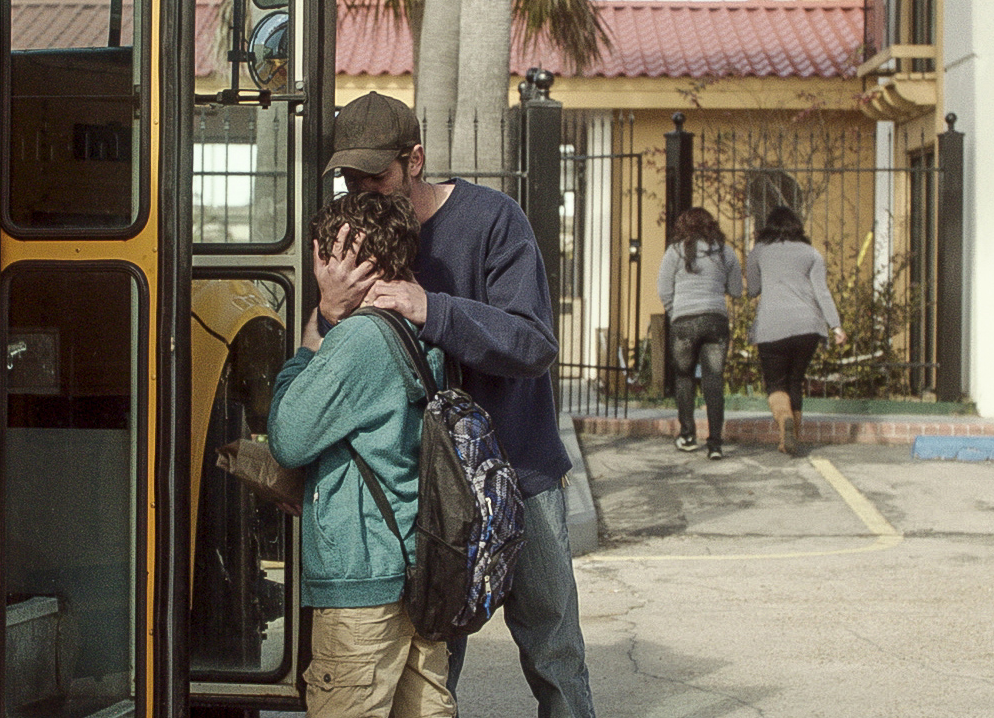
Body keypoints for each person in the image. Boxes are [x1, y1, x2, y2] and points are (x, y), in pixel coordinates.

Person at [317, 91, 595, 718]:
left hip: (517, 469)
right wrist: (328, 311)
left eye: (377, 177)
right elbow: (344, 360)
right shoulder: (349, 231)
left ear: (414, 160)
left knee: (552, 646)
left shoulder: (493, 220)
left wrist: (430, 308)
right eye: (351, 179)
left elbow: (533, 342)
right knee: (435, 661)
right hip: (426, 486)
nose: (363, 193)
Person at [268, 190, 454, 718]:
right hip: (414, 577)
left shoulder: (360, 340)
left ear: (343, 255)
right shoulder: (418, 326)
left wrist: (314, 334)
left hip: (363, 587)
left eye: (320, 251)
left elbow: (288, 434)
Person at [746, 205, 846, 455]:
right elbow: (822, 292)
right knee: (795, 382)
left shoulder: (759, 251)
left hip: (772, 326)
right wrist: (836, 326)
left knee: (776, 384)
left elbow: (754, 289)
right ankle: (790, 439)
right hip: (808, 326)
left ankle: (784, 423)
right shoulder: (811, 253)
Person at [657, 207, 744, 460]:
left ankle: (687, 435)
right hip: (716, 320)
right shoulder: (724, 251)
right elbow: (737, 290)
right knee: (713, 382)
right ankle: (715, 444)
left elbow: (663, 289)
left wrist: (677, 312)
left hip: (684, 322)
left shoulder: (675, 251)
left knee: (684, 377)